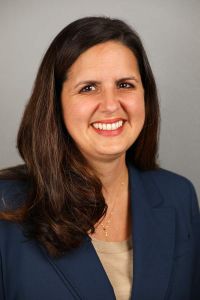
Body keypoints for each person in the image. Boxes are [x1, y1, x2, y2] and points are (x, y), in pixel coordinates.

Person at [0, 16, 199, 300]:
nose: (110, 104)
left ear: (146, 95)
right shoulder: (5, 205)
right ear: (55, 103)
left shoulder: (179, 197)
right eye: (88, 88)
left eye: (125, 85)